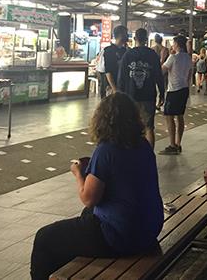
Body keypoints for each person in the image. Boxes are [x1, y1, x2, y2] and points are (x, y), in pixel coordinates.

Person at [30, 93, 163, 280]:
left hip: (121, 235)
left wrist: (78, 174)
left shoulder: (106, 150)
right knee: (85, 219)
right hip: (149, 229)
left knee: (45, 238)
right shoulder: (143, 145)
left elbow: (89, 199)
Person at [117, 28, 165, 148]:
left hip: (130, 96)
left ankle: (131, 154)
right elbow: (159, 75)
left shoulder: (128, 55)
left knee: (130, 126)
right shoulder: (152, 55)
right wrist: (162, 93)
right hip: (148, 95)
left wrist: (119, 94)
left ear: (135, 39)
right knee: (149, 127)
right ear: (146, 39)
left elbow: (121, 77)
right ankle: (149, 156)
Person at [159, 35, 192, 155]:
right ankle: (178, 143)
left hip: (173, 90)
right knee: (180, 116)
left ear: (177, 44)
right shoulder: (188, 58)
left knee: (169, 117)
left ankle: (172, 145)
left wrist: (163, 59)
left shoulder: (173, 57)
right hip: (184, 89)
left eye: (173, 43)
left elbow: (162, 70)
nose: (172, 45)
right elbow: (189, 75)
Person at [102, 25, 128, 94]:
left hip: (123, 87)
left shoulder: (125, 51)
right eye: (126, 33)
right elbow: (108, 71)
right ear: (120, 35)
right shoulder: (109, 51)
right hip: (112, 88)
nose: (127, 36)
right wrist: (115, 89)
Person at [151, 34, 169, 109]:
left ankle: (155, 102)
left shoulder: (152, 49)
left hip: (153, 71)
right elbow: (164, 60)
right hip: (162, 71)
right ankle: (160, 101)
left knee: (153, 87)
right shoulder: (165, 49)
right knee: (162, 87)